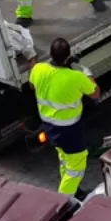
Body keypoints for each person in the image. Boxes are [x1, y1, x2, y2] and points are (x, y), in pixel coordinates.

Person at [29, 38, 99, 196]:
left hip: (49, 127)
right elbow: (96, 93)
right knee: (76, 168)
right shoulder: (76, 77)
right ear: (68, 58)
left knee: (65, 160)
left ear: (50, 55)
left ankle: (74, 192)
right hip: (69, 131)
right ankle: (63, 203)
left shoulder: (38, 69)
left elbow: (32, 85)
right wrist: (87, 73)